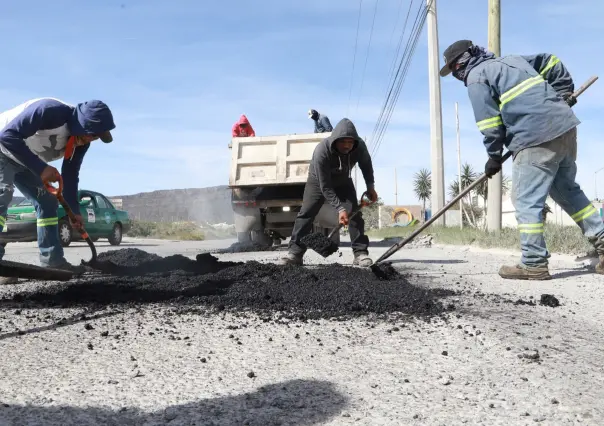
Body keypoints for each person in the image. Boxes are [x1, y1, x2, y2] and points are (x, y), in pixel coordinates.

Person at [440, 39, 604, 280]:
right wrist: (562, 94)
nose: (455, 74)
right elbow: (551, 61)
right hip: (565, 127)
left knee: (526, 200)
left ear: (462, 62)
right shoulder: (512, 61)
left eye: (454, 68)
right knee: (566, 190)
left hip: (534, 136)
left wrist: (493, 157)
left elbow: (489, 124)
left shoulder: (476, 77)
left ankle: (533, 262)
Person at [0, 98, 116, 284]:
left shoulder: (81, 143)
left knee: (47, 200)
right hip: (3, 148)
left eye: (95, 137)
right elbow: (7, 136)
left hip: (25, 160)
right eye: (91, 134)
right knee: (2, 195)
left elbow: (70, 175)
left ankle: (52, 260)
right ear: (81, 123)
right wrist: (41, 168)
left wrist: (74, 212)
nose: (90, 139)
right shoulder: (50, 111)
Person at [281, 118, 377, 267]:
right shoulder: (322, 150)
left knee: (354, 214)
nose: (347, 145)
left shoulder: (360, 147)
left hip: (343, 180)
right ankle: (295, 254)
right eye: (343, 142)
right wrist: (340, 209)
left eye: (350, 142)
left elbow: (366, 165)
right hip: (318, 182)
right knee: (307, 213)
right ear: (335, 140)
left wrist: (370, 187)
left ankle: (360, 253)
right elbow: (325, 186)